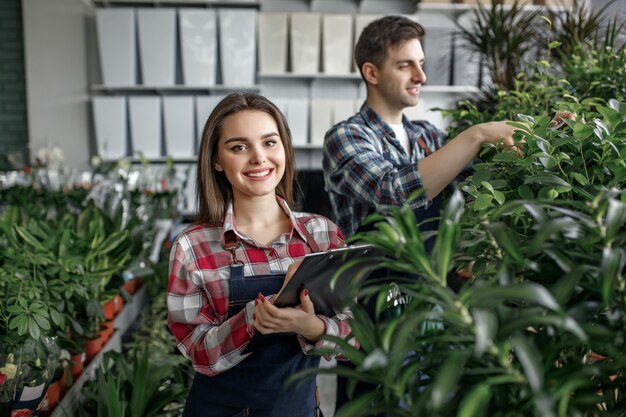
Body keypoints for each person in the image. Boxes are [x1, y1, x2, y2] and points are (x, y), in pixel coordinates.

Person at [167, 92, 354, 417]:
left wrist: (312, 328)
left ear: (284, 148)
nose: (258, 158)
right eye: (239, 147)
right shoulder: (192, 247)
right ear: (216, 160)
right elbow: (199, 354)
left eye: (269, 142)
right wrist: (255, 319)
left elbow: (359, 339)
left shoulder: (323, 236)